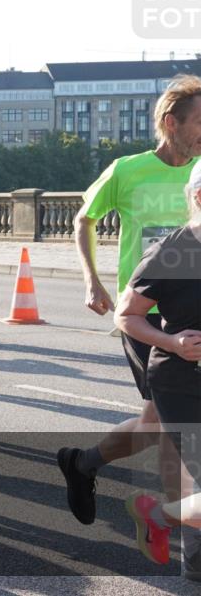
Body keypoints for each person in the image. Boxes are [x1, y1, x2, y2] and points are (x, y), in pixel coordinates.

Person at [57, 74, 201, 529]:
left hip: (193, 310)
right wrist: (92, 281)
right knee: (173, 431)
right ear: (170, 122)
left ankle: (84, 463)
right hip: (148, 315)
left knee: (154, 426)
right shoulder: (126, 170)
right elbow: (84, 219)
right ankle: (187, 549)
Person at [115, 160, 201, 579]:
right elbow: (126, 315)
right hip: (182, 382)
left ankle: (168, 527)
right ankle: (163, 520)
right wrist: (173, 342)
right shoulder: (174, 250)